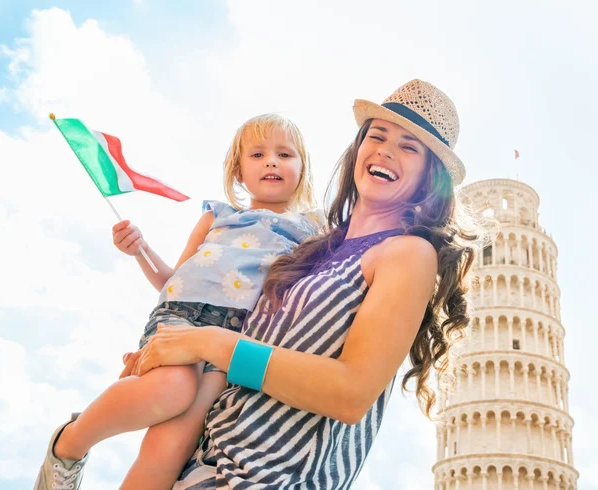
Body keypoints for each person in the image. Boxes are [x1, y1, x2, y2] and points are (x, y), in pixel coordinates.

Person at [124, 79, 482, 489]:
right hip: (201, 465)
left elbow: (350, 393)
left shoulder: (408, 254)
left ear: (429, 176)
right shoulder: (307, 249)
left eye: (408, 146)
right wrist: (165, 356)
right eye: (376, 135)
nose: (384, 149)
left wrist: (208, 342)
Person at [34, 114, 323, 490]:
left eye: (284, 154)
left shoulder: (313, 228)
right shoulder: (217, 216)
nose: (271, 161)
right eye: (257, 154)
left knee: (176, 439)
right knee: (172, 389)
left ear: (302, 168)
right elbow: (173, 280)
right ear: (238, 172)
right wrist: (141, 251)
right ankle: (69, 444)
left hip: (236, 338)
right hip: (183, 315)